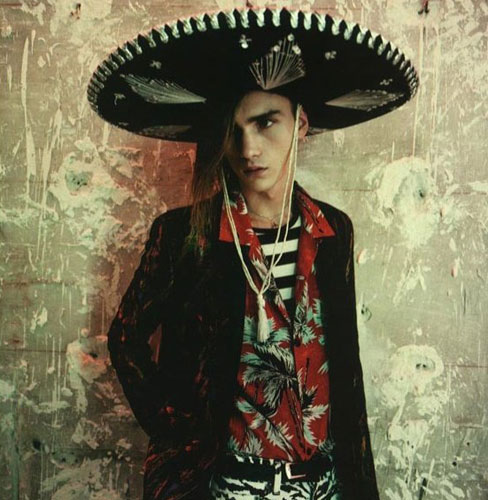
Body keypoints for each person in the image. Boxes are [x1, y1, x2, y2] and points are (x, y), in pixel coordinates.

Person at [87, 8, 418, 499]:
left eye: (266, 123)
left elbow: (344, 368)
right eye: (234, 128)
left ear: (300, 123)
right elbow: (125, 337)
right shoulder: (185, 235)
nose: (248, 148)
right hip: (224, 483)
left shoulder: (334, 232)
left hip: (322, 482)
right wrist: (176, 428)